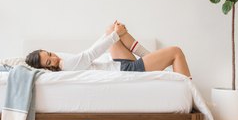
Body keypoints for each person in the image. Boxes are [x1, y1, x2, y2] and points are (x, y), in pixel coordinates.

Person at [25, 21, 192, 79]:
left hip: (119, 64)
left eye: (49, 54)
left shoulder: (62, 62)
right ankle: (188, 90)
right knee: (176, 51)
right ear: (47, 67)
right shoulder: (66, 63)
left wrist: (112, 34)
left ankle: (151, 57)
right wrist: (114, 36)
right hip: (128, 70)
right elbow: (92, 53)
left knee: (111, 28)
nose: (53, 58)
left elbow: (91, 51)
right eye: (49, 61)